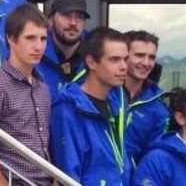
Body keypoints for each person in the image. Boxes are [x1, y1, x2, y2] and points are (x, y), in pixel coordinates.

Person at [0, 3, 54, 186]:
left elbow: (44, 145)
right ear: (11, 39)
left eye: (43, 39)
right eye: (30, 38)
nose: (39, 46)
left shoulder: (43, 89)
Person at [50, 27, 131, 186]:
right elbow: (68, 172)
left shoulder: (116, 104)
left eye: (125, 59)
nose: (124, 67)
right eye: (115, 60)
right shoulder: (69, 108)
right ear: (91, 62)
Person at [123, 30, 170, 162]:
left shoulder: (159, 109)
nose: (146, 63)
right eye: (140, 55)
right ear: (124, 56)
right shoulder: (104, 94)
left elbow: (152, 159)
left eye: (151, 57)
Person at [36, 0, 90, 100]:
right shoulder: (35, 54)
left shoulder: (96, 56)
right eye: (66, 15)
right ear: (50, 20)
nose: (73, 23)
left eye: (79, 17)